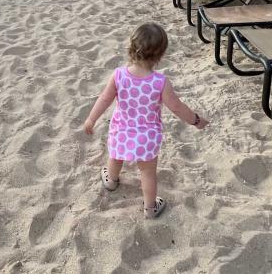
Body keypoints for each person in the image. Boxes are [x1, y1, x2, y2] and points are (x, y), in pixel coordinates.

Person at [82, 23, 209, 218]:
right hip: (147, 137)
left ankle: (111, 180)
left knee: (115, 156)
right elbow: (176, 107)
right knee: (148, 173)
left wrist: (91, 119)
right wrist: (196, 120)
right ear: (160, 55)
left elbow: (104, 99)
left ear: (131, 48)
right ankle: (150, 208)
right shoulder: (160, 82)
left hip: (121, 131)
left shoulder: (118, 75)